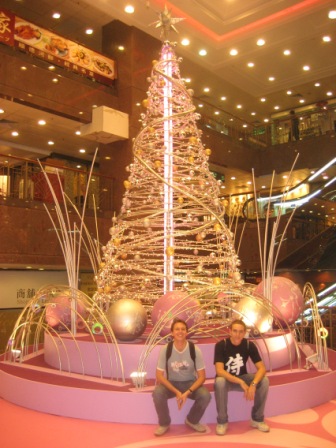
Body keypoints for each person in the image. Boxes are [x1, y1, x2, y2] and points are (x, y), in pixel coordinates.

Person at [152, 318, 211, 436]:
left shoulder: (194, 349)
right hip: (172, 383)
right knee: (157, 393)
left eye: (183, 329)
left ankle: (192, 420)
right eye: (177, 329)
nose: (180, 332)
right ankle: (164, 423)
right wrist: (177, 392)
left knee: (205, 395)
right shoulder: (166, 349)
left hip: (190, 383)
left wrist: (187, 392)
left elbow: (202, 377)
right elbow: (159, 376)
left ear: (186, 332)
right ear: (172, 333)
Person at [214, 319, 270, 435]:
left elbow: (262, 368)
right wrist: (240, 381)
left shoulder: (249, 345)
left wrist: (253, 384)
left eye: (240, 332)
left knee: (264, 381)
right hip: (227, 380)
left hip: (243, 377)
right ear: (229, 331)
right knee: (219, 381)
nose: (237, 334)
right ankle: (222, 421)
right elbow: (219, 371)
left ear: (244, 333)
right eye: (235, 331)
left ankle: (257, 419)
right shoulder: (221, 345)